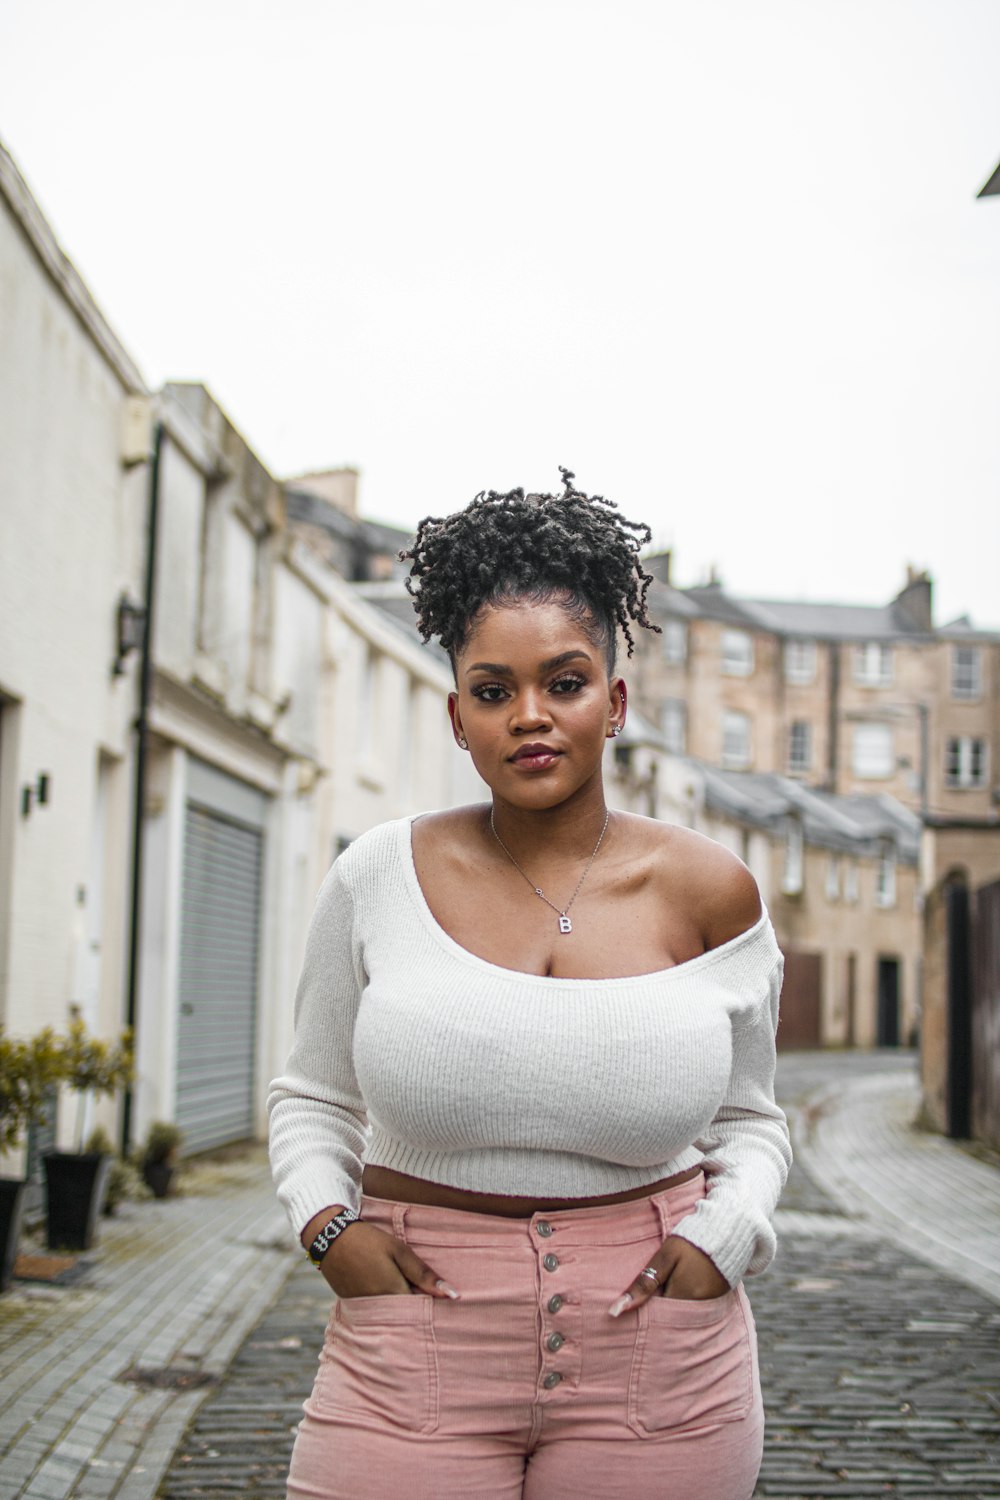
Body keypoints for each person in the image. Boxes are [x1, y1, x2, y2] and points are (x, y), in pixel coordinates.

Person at [267, 469, 791, 1500]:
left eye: (564, 682)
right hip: (411, 1343)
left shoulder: (710, 891)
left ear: (615, 700)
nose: (531, 718)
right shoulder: (378, 875)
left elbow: (752, 1120)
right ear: (458, 716)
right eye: (494, 691)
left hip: (658, 1354)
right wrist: (328, 1227)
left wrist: (724, 1239)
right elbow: (313, 1096)